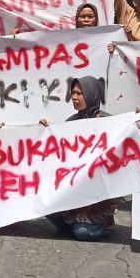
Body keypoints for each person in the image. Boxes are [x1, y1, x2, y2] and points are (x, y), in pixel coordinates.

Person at [44, 77, 121, 241]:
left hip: (97, 193)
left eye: (80, 93)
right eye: (73, 92)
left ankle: (104, 224)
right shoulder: (72, 121)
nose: (74, 96)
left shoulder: (107, 121)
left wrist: (138, 120)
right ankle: (75, 223)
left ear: (92, 95)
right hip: (75, 189)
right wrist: (46, 130)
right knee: (46, 207)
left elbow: (125, 139)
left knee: (82, 233)